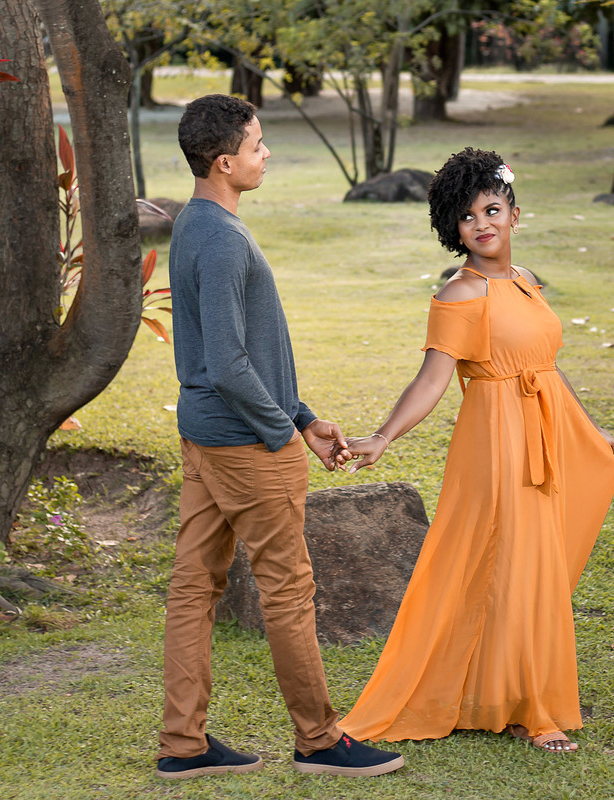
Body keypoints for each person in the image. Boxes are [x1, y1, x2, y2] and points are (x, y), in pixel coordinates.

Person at [338, 147, 614, 753]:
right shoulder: (461, 294)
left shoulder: (524, 282)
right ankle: (533, 711)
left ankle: (510, 695)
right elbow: (432, 379)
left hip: (541, 431)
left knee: (533, 568)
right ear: (454, 229)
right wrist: (383, 437)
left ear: (515, 214)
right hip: (495, 439)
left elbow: (547, 367)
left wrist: (590, 430)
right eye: (468, 218)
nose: (483, 225)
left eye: (492, 210)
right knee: (511, 565)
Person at [156, 94, 405, 780]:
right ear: (224, 161)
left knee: (193, 588)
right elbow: (229, 363)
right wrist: (280, 434)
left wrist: (301, 415)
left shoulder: (197, 224)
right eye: (258, 146)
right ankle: (320, 740)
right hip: (241, 444)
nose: (267, 155)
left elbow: (240, 354)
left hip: (210, 437)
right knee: (290, 591)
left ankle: (184, 745)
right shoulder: (220, 237)